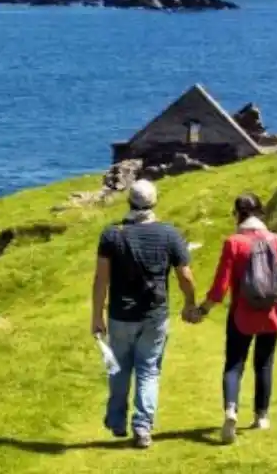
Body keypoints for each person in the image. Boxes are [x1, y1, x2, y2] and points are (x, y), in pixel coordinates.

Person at [192, 192, 277, 445]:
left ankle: (231, 411)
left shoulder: (234, 243)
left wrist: (201, 311)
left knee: (234, 365)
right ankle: (261, 416)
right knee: (264, 364)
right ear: (260, 213)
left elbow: (219, 289)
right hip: (272, 315)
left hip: (241, 315)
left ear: (238, 215)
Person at [91, 178, 199, 449]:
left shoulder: (111, 234)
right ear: (154, 203)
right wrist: (189, 303)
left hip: (120, 315)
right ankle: (142, 427)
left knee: (119, 368)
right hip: (155, 314)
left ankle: (116, 421)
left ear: (129, 202)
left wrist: (96, 315)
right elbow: (185, 275)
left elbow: (101, 280)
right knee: (148, 370)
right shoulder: (169, 234)